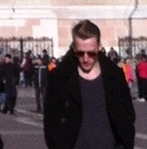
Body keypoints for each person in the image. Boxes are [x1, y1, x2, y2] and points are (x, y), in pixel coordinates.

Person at [44, 19, 135, 149]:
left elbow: (128, 115)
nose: (85, 59)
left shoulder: (115, 76)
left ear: (99, 47)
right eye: (80, 53)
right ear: (74, 48)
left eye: (91, 53)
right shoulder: (59, 78)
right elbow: (51, 122)